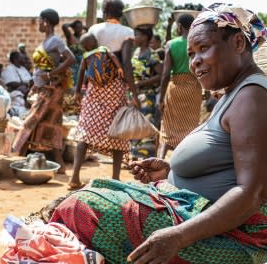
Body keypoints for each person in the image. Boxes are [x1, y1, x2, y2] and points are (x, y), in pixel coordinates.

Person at [50, 4, 267, 264]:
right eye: (191, 54)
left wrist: (177, 236)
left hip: (237, 236)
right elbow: (224, 162)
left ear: (238, 43)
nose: (195, 62)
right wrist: (169, 171)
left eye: (203, 48)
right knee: (99, 189)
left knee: (82, 209)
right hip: (204, 216)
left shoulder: (253, 98)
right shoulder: (234, 93)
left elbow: (253, 193)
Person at [12, 8, 75, 172]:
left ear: (46, 22)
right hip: (43, 88)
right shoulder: (45, 42)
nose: (38, 24)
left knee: (31, 120)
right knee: (50, 124)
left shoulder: (55, 41)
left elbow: (71, 59)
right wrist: (36, 83)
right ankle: (59, 164)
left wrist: (50, 75)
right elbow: (40, 68)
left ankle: (14, 154)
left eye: (40, 21)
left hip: (52, 89)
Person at [68, 32, 129, 189]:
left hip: (93, 93)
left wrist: (78, 91)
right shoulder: (105, 49)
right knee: (118, 131)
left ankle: (74, 177)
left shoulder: (86, 56)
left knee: (85, 132)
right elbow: (115, 59)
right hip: (114, 91)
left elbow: (81, 73)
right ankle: (115, 177)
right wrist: (121, 70)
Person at [158, 13, 202, 158]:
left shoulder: (171, 44)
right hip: (194, 89)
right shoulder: (199, 43)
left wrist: (161, 97)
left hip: (175, 87)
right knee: (190, 127)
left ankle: (160, 158)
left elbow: (165, 75)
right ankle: (185, 160)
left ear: (179, 26)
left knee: (168, 127)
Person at [131, 26, 163, 158]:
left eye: (137, 34)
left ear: (145, 37)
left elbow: (160, 74)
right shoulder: (136, 52)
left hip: (147, 95)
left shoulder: (151, 53)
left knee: (146, 126)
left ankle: (146, 158)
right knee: (135, 125)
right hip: (135, 95)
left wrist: (140, 83)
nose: (135, 37)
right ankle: (134, 156)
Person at [1, 50, 32, 115]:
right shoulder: (9, 69)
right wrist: (25, 85)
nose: (23, 58)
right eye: (21, 57)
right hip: (16, 96)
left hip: (27, 93)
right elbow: (11, 84)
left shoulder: (23, 68)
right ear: (15, 59)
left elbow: (30, 81)